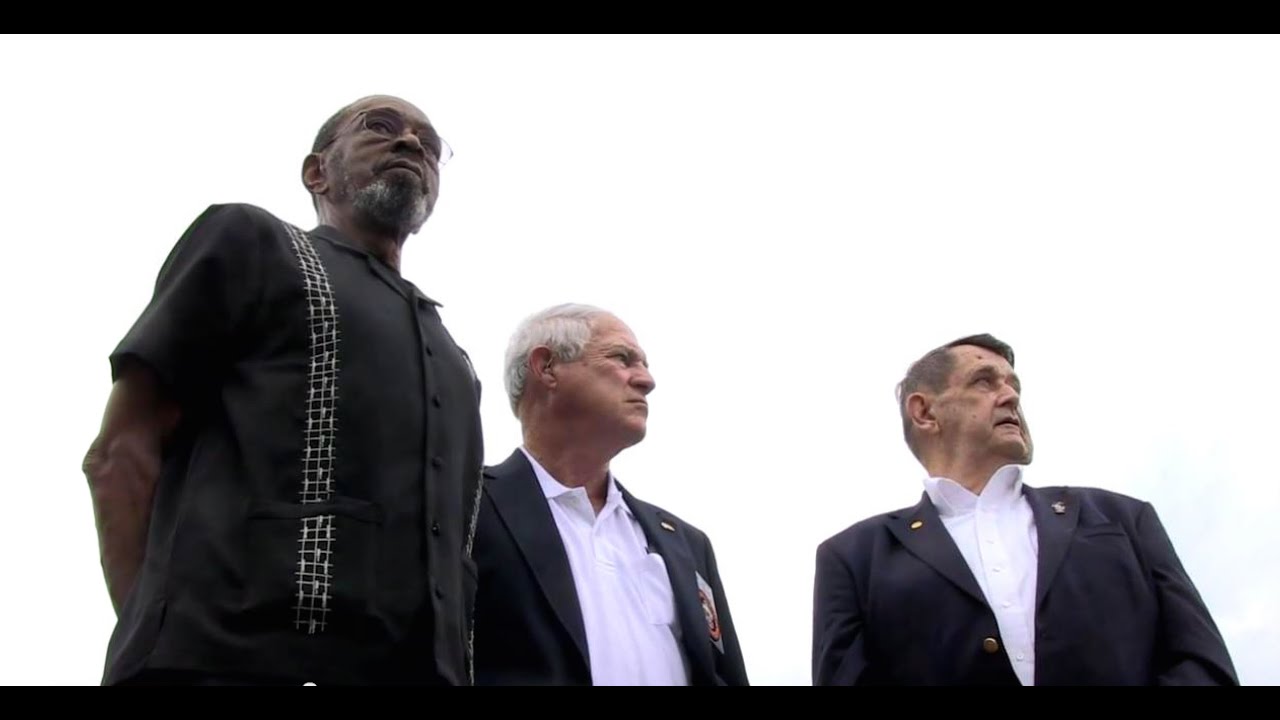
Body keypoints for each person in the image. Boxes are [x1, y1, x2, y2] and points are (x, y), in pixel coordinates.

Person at [82, 95, 485, 686]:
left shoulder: (455, 360)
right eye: (380, 126)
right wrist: (155, 629)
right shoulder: (252, 242)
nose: (410, 144)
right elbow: (120, 452)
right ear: (316, 172)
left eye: (429, 143)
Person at [812, 333, 1238, 686]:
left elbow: (1204, 666)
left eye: (1014, 386)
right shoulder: (853, 558)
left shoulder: (1123, 519)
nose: (1010, 396)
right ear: (924, 412)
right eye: (984, 382)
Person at [470, 304, 749, 685]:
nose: (647, 380)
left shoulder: (687, 543)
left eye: (644, 363)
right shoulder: (467, 509)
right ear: (547, 367)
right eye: (623, 358)